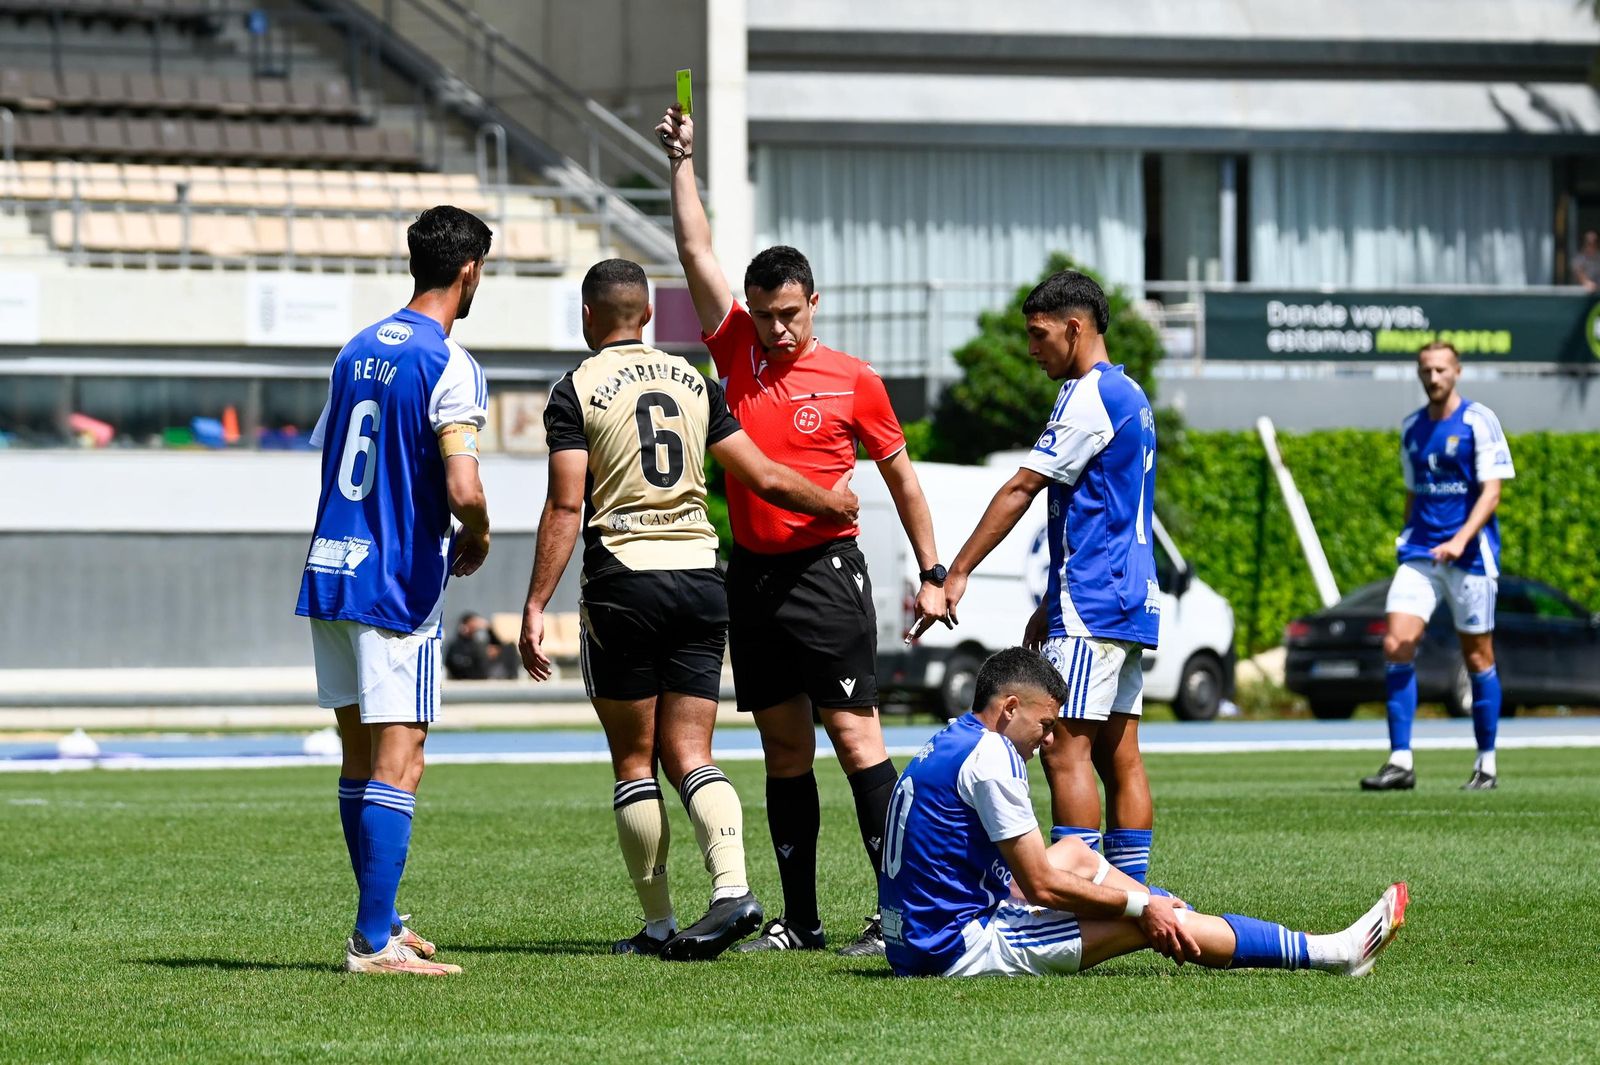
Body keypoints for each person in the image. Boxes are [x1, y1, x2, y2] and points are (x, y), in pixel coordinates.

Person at [657, 103, 949, 957]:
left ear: (814, 302)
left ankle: (899, 912)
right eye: (765, 314)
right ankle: (803, 920)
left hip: (826, 573)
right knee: (783, 747)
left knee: (857, 737)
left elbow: (900, 478)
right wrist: (682, 161)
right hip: (752, 576)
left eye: (791, 312)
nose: (779, 329)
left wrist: (933, 570)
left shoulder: (854, 379)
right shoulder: (737, 349)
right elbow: (694, 252)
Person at [517, 258, 861, 960]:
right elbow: (762, 474)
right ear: (647, 315)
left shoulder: (576, 388)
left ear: (590, 317)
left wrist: (533, 602)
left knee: (635, 760)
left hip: (625, 580)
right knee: (694, 752)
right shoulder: (694, 382)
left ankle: (657, 924)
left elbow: (564, 501)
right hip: (704, 579)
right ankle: (733, 888)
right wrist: (833, 502)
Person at [879, 646, 1408, 979]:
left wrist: (1131, 898)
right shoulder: (993, 756)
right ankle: (1330, 953)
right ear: (1010, 707)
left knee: (1077, 854)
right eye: (1044, 725)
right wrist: (1138, 907)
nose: (1047, 739)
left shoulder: (955, 736)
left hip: (916, 935)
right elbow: (1039, 888)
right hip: (954, 950)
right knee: (1156, 921)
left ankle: (1166, 907)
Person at [295, 205, 494, 976]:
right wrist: (476, 531)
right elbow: (462, 483)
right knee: (400, 758)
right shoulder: (447, 360)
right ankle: (373, 941)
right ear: (469, 270)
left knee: (358, 758)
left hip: (332, 569)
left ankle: (382, 919)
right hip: (395, 583)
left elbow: (334, 448)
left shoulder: (354, 350)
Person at [913, 270, 1159, 886]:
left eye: (1038, 334)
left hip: (1094, 602)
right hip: (1127, 602)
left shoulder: (1089, 395)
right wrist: (1053, 601)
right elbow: (1101, 510)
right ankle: (1134, 896)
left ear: (1074, 329)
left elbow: (1023, 486)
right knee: (1120, 758)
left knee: (1063, 751)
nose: (1031, 348)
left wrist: (957, 570)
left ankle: (1089, 902)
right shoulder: (1130, 392)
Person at [1362, 340, 1515, 792]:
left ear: (1457, 372)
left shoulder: (1478, 421)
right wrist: (1411, 534)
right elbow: (1414, 491)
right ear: (1418, 373)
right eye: (1426, 370)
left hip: (1470, 555)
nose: (1434, 378)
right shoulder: (1411, 428)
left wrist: (1460, 540)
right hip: (1420, 553)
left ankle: (1486, 764)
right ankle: (1400, 761)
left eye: (1442, 370)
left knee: (1477, 656)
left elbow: (1491, 491)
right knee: (1396, 644)